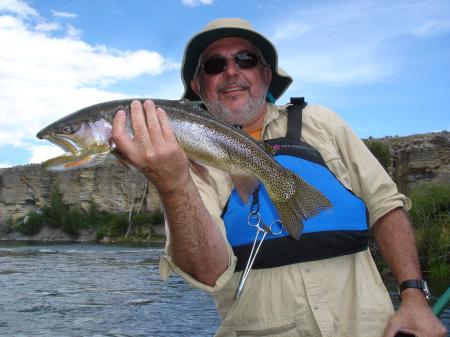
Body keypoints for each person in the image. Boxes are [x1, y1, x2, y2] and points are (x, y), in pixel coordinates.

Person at [111, 18, 447, 337]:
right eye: (214, 65)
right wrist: (172, 183)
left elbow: (385, 205)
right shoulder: (181, 163)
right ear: (198, 86)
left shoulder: (323, 123)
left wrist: (414, 296)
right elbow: (206, 272)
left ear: (266, 75)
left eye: (245, 59)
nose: (231, 71)